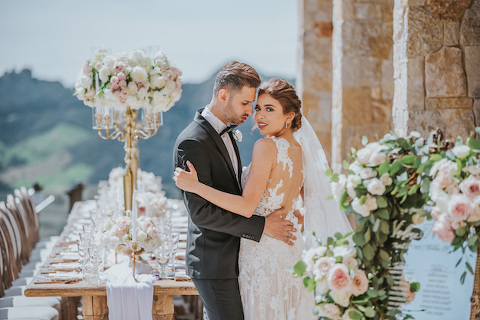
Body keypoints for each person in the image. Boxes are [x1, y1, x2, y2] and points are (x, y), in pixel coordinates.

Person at [174, 78, 353, 319]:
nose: (259, 115)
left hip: (262, 257)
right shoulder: (301, 152)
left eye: (270, 109)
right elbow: (311, 202)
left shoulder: (265, 146)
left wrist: (196, 186)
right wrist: (295, 213)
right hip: (290, 250)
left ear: (289, 116)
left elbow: (247, 206)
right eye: (258, 108)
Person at [173, 63, 297, 320]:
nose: (250, 113)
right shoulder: (192, 142)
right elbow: (202, 214)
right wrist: (261, 227)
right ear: (223, 95)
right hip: (214, 262)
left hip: (242, 259)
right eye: (245, 104)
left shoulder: (229, 133)